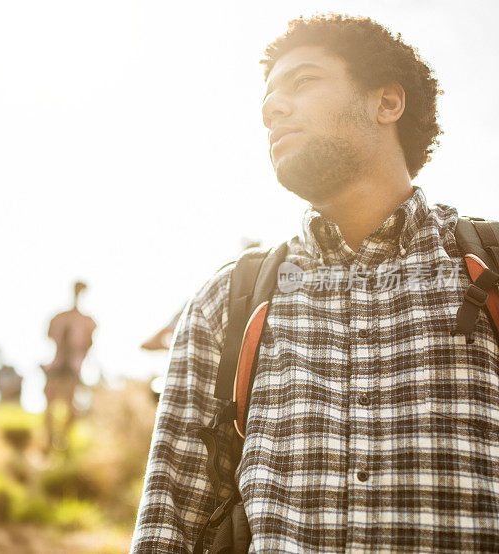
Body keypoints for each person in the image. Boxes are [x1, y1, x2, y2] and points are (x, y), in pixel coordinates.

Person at [132, 15, 499, 553]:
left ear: (388, 103)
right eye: (267, 99)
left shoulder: (489, 268)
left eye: (302, 82)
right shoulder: (227, 300)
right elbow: (168, 527)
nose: (271, 109)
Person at [41, 281, 97, 449]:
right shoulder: (60, 318)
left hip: (72, 367)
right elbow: (51, 336)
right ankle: (50, 441)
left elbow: (89, 344)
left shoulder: (87, 321)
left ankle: (62, 440)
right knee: (50, 403)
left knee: (72, 406)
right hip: (58, 364)